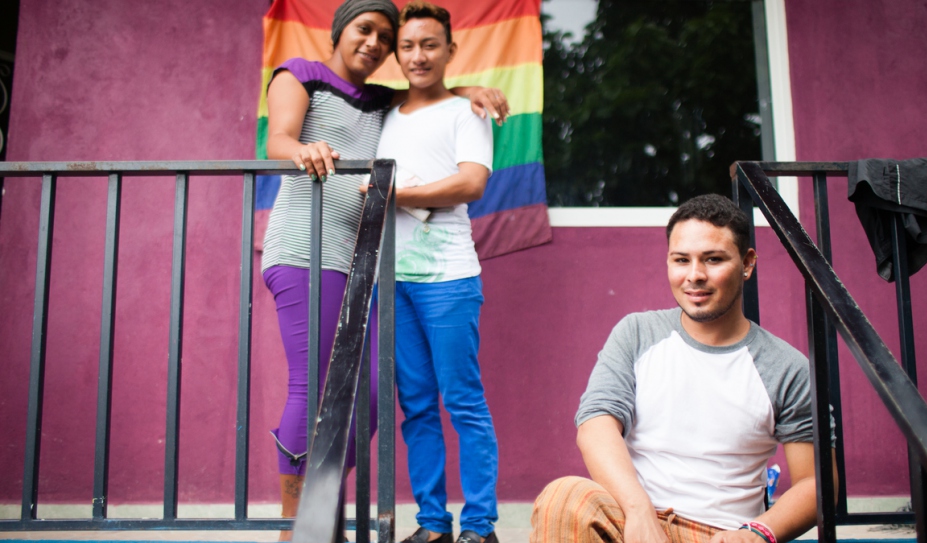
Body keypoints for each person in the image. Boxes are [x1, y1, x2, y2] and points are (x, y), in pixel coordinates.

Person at [260, 0, 509, 538]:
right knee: (319, 390)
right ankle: (299, 525)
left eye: (384, 36)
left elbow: (433, 108)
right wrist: (303, 149)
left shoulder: (381, 101)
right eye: (364, 29)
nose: (375, 43)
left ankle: (323, 513)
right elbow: (276, 140)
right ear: (338, 31)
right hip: (308, 252)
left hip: (373, 269)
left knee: (374, 397)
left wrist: (470, 93)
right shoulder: (300, 74)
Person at [530, 194, 837, 543]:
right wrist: (638, 510)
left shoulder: (787, 368)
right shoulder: (637, 333)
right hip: (633, 522)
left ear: (747, 263)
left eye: (713, 259)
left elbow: (818, 483)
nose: (695, 275)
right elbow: (595, 426)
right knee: (564, 497)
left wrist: (755, 533)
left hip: (721, 535)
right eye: (681, 260)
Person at [369, 3, 499, 543]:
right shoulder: (384, 115)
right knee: (416, 405)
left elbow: (471, 184)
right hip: (392, 280)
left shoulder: (466, 112)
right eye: (408, 46)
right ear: (396, 54)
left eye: (429, 44)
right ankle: (431, 525)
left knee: (463, 401)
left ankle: (479, 526)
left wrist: (394, 192)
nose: (418, 55)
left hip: (448, 279)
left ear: (450, 49)